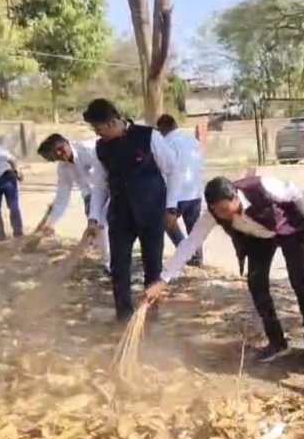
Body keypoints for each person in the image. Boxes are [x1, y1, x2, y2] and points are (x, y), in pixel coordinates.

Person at [142, 175, 304, 364]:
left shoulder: (262, 186)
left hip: (288, 229)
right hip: (257, 239)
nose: (221, 215)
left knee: (301, 283)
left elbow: (296, 193)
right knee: (257, 286)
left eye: (223, 209)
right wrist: (164, 280)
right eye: (215, 211)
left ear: (235, 197)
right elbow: (190, 244)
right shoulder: (213, 214)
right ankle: (277, 342)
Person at [82, 98, 181, 323]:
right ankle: (123, 317)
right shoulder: (101, 148)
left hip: (152, 211)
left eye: (98, 128)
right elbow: (100, 185)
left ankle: (150, 317)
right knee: (119, 266)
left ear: (112, 122)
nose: (97, 134)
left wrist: (172, 207)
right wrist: (94, 217)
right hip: (120, 215)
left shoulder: (149, 136)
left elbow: (173, 170)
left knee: (152, 266)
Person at [36, 133, 111, 274]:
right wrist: (51, 222)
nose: (60, 154)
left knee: (105, 224)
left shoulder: (88, 150)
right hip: (90, 196)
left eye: (61, 148)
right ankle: (110, 264)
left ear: (66, 142)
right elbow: (62, 196)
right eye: (54, 155)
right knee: (98, 228)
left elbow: (104, 173)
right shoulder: (63, 169)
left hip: (109, 187)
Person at [156, 114, 205, 267]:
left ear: (162, 129)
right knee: (194, 228)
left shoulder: (166, 143)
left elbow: (167, 168)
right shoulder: (192, 140)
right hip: (195, 190)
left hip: (177, 193)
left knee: (167, 223)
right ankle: (198, 257)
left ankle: (186, 253)